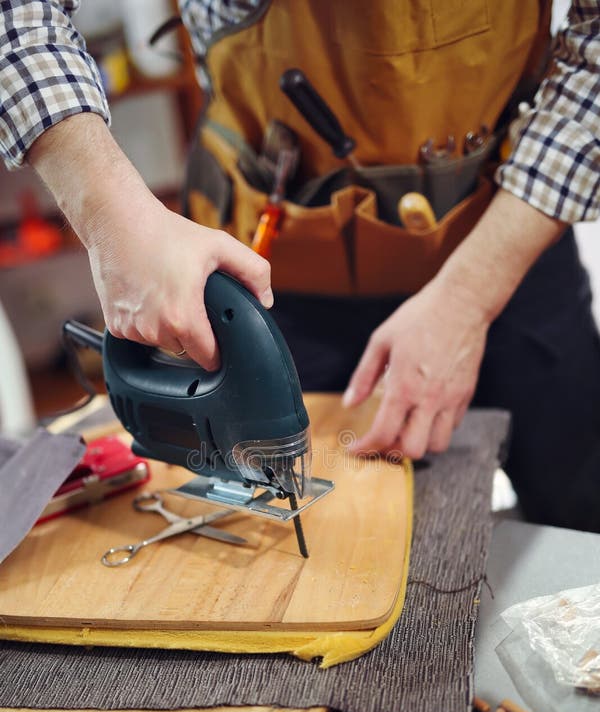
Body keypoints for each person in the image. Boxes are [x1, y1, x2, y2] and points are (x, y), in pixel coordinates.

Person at [1, 1, 599, 529]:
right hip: (267, 272)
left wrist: (471, 297)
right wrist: (112, 222)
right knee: (295, 532)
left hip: (511, 234)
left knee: (581, 504)